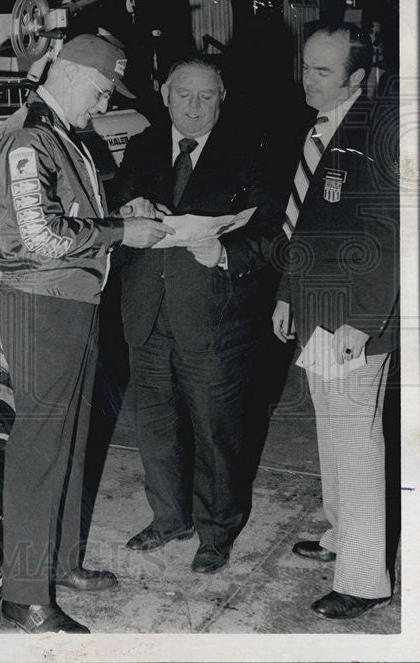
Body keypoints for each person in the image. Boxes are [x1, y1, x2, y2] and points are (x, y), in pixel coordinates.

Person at [0, 34, 173, 633]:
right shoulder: (27, 138)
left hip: (75, 300)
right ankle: (24, 593)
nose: (101, 102)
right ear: (67, 74)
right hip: (42, 305)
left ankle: (60, 564)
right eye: (99, 89)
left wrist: (128, 206)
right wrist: (121, 231)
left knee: (74, 439)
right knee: (41, 447)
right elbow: (39, 239)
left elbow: (76, 207)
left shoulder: (68, 135)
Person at [112, 56, 279, 575]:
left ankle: (217, 530)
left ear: (223, 97)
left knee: (217, 432)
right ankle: (169, 518)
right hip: (147, 312)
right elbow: (117, 205)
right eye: (184, 94)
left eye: (207, 96)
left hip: (216, 318)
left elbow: (274, 235)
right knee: (156, 425)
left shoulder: (253, 150)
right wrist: (127, 210)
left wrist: (228, 253)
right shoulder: (140, 145)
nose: (194, 106)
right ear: (163, 94)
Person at [272, 22, 399, 620]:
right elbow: (308, 226)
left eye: (323, 71)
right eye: (306, 66)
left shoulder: (377, 132)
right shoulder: (325, 127)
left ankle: (365, 578)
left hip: (351, 319)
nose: (308, 79)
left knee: (356, 443)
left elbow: (389, 233)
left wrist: (363, 322)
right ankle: (340, 537)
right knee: (331, 431)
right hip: (318, 313)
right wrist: (287, 295)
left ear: (356, 77)